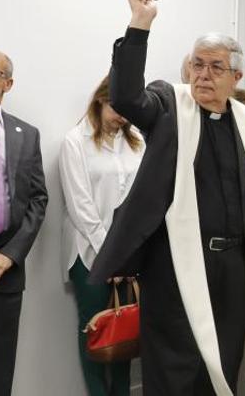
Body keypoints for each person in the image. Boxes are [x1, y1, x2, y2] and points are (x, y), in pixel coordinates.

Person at [89, 0, 245, 395]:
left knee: (224, 365)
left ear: (237, 76)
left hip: (237, 270)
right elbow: (127, 96)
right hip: (175, 268)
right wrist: (139, 25)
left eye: (216, 67)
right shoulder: (170, 107)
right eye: (197, 65)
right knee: (174, 372)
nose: (203, 75)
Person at [60, 77, 143, 396]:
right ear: (100, 100)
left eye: (128, 110)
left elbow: (142, 198)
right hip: (89, 254)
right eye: (116, 108)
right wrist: (111, 256)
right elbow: (80, 207)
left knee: (124, 327)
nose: (123, 116)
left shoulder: (136, 139)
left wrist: (126, 253)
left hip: (129, 255)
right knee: (94, 329)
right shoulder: (75, 141)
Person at [0, 47, 48, 396]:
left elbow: (38, 199)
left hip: (5, 270)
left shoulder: (27, 134)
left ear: (8, 83)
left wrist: (10, 255)